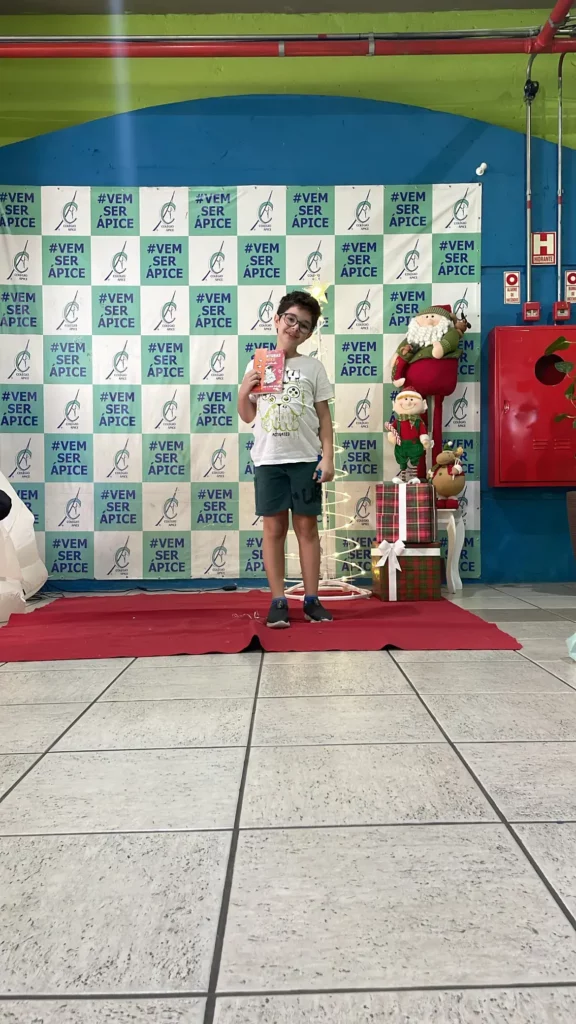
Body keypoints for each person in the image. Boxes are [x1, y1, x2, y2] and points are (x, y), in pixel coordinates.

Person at [238, 291, 335, 628]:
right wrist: (243, 390)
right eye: (291, 319)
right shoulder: (257, 364)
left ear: (309, 333)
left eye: (304, 325)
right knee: (273, 529)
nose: (295, 328)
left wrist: (327, 458)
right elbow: (248, 416)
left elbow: (324, 417)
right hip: (268, 460)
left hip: (305, 459)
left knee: (307, 527)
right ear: (277, 320)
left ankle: (311, 599)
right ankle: (278, 599)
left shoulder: (313, 367)